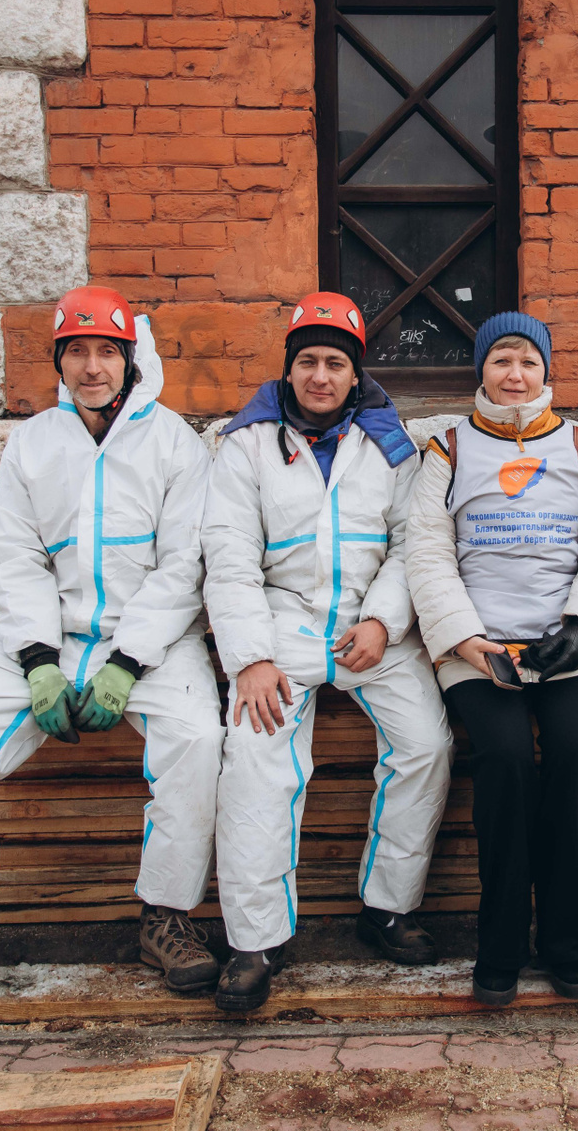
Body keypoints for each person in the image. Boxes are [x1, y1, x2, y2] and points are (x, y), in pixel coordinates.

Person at [0, 286, 223, 993]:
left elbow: (183, 567)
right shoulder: (33, 442)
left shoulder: (174, 443)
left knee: (197, 740)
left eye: (106, 351)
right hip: (48, 636)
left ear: (130, 360)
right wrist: (39, 662)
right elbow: (16, 557)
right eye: (76, 351)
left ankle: (166, 918)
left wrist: (127, 662)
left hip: (151, 643)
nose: (92, 366)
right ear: (59, 361)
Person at [203, 293, 453, 1013]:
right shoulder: (247, 443)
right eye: (307, 361)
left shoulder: (390, 444)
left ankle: (388, 907)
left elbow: (412, 543)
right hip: (280, 626)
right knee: (256, 758)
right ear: (288, 369)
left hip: (368, 630)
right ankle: (256, 941)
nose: (320, 376)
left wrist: (382, 621)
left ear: (355, 373)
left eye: (335, 363)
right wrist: (250, 657)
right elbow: (229, 555)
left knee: (427, 745)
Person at [406, 312, 578, 1005]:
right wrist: (464, 638)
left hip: (567, 644)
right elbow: (427, 549)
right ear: (482, 369)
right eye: (502, 359)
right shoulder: (448, 447)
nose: (515, 374)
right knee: (503, 762)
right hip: (480, 647)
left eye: (528, 362)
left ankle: (566, 936)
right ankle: (500, 939)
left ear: (545, 372)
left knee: (576, 761)